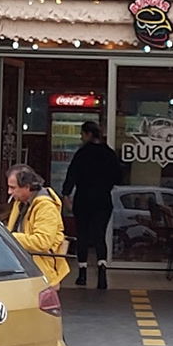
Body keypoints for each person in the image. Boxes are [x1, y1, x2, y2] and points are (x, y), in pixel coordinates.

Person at [61, 121, 122, 290]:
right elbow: (118, 177)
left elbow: (71, 175)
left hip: (83, 199)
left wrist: (66, 194)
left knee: (83, 235)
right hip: (103, 200)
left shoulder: (82, 154)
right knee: (99, 235)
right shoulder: (109, 154)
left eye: (82, 134)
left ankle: (82, 274)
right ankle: (102, 272)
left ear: (88, 134)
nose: (81, 137)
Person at [5, 164, 70, 286]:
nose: (9, 192)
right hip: (25, 268)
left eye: (13, 188)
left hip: (41, 272)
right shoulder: (20, 202)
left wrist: (11, 237)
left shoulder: (46, 206)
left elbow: (42, 242)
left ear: (27, 187)